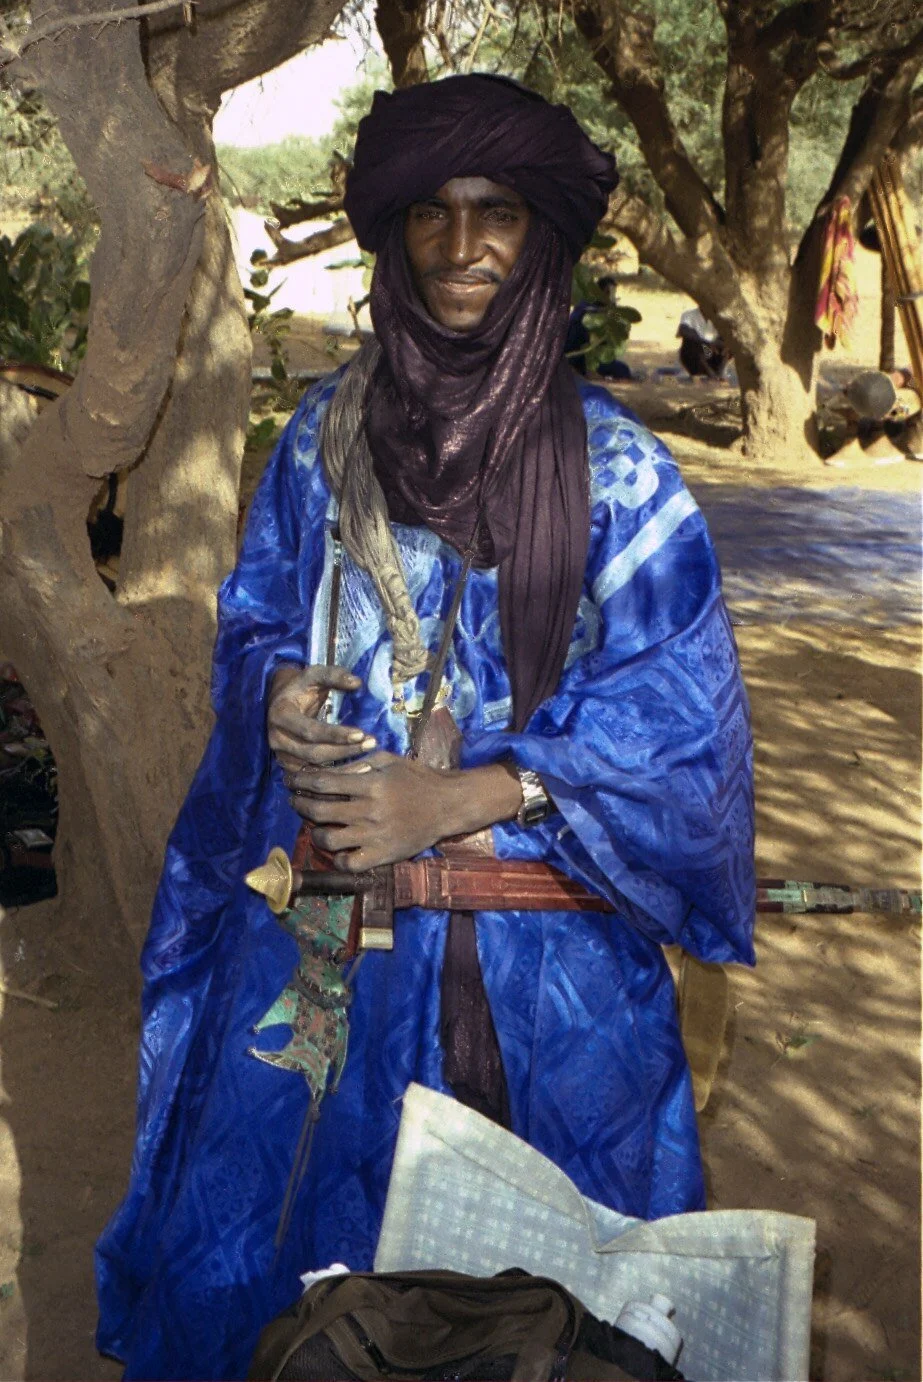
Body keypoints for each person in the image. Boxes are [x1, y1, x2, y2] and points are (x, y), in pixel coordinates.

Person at [96, 75, 755, 1382]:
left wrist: (466, 796)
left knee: (556, 1311)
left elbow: (682, 719)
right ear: (393, 236)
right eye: (431, 215)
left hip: (547, 970)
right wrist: (277, 695)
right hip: (324, 941)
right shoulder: (321, 442)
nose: (461, 247)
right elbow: (258, 617)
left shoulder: (620, 471)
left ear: (540, 236)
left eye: (495, 212)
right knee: (296, 1279)